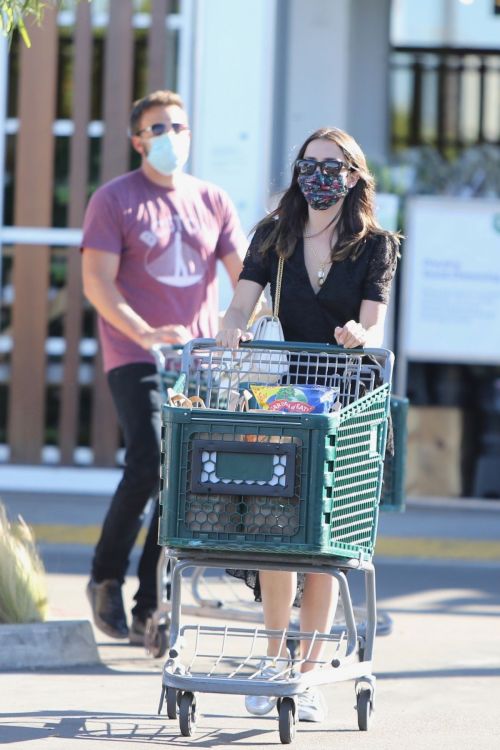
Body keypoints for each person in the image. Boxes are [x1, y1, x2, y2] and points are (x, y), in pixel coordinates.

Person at [216, 126, 400, 722]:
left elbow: (372, 319)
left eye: (332, 164)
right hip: (282, 397)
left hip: (345, 399)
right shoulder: (275, 234)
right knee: (278, 529)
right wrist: (230, 326)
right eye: (309, 163)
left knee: (323, 540)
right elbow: (242, 301)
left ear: (353, 174)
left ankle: (309, 673)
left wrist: (359, 333)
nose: (318, 173)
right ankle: (274, 662)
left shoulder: (375, 245)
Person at [82, 90, 246, 645]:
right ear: (137, 140)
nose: (171, 135)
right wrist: (145, 333)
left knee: (182, 480)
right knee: (151, 460)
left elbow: (245, 275)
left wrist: (247, 320)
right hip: (136, 355)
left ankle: (150, 607)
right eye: (158, 128)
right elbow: (96, 283)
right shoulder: (114, 200)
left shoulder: (214, 200)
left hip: (196, 365)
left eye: (179, 125)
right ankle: (105, 575)